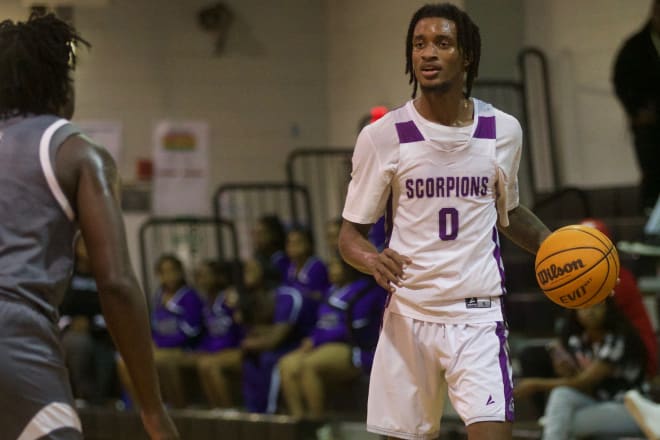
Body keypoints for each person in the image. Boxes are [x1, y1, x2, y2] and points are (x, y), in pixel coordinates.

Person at [338, 4, 554, 439]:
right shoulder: (383, 136)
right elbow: (350, 235)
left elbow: (507, 214)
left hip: (476, 314)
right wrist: (370, 259)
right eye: (419, 44)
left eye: (442, 43)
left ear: (467, 55)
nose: (428, 54)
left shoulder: (502, 130)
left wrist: (559, 250)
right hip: (409, 314)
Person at [0, 13, 178, 439]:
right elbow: (115, 283)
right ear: (61, 84)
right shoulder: (75, 151)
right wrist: (152, 409)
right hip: (14, 334)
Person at [514, 299, 648, 439]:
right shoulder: (578, 340)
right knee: (562, 394)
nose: (590, 312)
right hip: (599, 403)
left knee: (562, 424)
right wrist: (565, 372)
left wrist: (535, 385)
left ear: (608, 309)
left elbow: (585, 381)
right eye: (584, 307)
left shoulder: (618, 338)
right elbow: (583, 385)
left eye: (596, 306)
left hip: (631, 409)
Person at [278, 256, 386, 419]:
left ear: (350, 267)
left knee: (308, 365)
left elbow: (353, 330)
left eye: (336, 266)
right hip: (324, 345)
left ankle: (318, 425)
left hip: (354, 348)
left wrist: (317, 340)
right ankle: (299, 421)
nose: (331, 271)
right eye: (331, 266)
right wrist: (312, 339)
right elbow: (321, 324)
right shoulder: (331, 290)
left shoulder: (364, 291)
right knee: (286, 364)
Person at [240, 258, 309, 414]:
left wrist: (255, 339)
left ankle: (269, 414)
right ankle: (254, 412)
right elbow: (253, 331)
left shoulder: (287, 295)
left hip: (299, 344)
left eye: (252, 269)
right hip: (278, 346)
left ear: (265, 271)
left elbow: (276, 338)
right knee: (249, 358)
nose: (246, 273)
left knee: (268, 359)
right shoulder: (252, 298)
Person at [612, 0, 660, 213]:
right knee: (652, 168)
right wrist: (636, 109)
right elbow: (621, 80)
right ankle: (650, 214)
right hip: (648, 120)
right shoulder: (636, 46)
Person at [59, 237, 118, 405]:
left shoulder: (106, 274)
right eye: (83, 244)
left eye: (90, 243)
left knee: (105, 353)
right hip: (72, 330)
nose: (86, 248)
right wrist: (72, 323)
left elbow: (112, 308)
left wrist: (92, 324)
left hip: (101, 331)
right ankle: (82, 397)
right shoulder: (66, 273)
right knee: (78, 344)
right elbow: (59, 307)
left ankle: (103, 401)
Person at [193, 260, 244, 409]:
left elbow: (240, 327)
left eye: (204, 275)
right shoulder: (206, 302)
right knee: (203, 363)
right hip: (217, 351)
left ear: (218, 277)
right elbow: (209, 333)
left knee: (210, 365)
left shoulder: (229, 298)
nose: (200, 280)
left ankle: (229, 409)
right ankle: (217, 409)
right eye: (198, 276)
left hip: (237, 348)